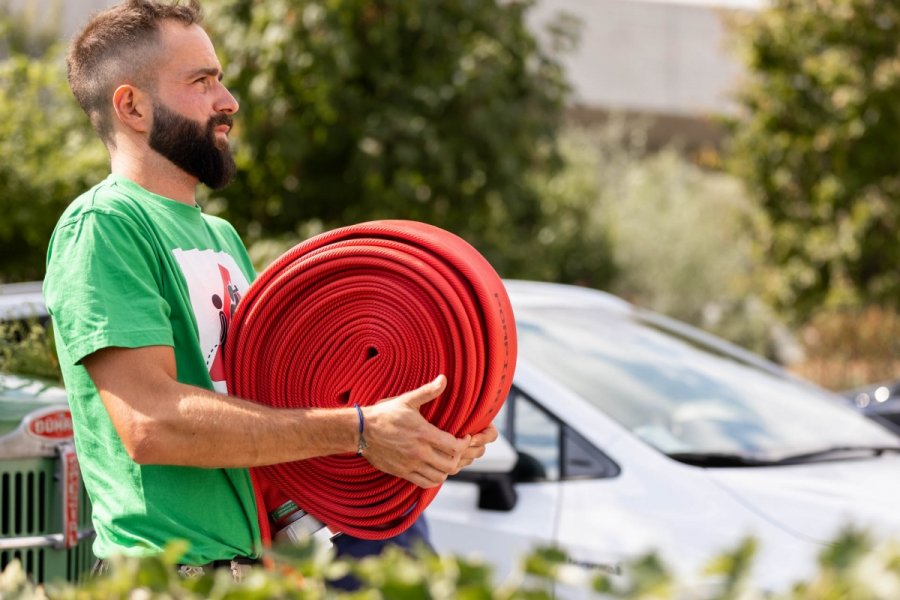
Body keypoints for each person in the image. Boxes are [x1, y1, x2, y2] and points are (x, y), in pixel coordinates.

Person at [43, 0, 497, 578]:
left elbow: (275, 418)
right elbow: (152, 424)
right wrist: (358, 430)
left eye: (222, 79)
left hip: (256, 571)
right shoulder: (105, 226)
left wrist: (423, 438)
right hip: (169, 579)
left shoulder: (220, 236)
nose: (227, 100)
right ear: (131, 105)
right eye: (201, 81)